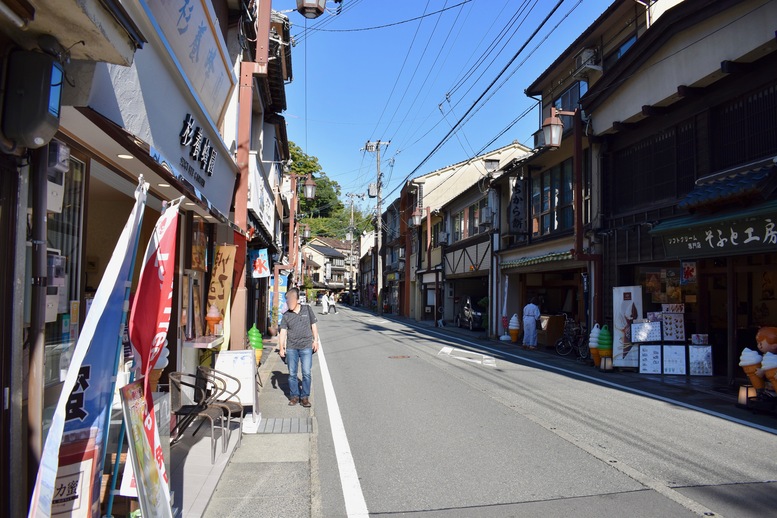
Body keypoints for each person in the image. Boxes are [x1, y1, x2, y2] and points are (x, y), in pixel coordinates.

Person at [278, 287, 319, 407]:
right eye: (287, 300)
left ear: (296, 300)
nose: (289, 303)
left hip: (306, 346)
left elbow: (313, 325)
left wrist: (315, 341)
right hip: (291, 348)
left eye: (290, 300)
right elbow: (283, 332)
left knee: (306, 373)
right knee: (292, 374)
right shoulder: (286, 315)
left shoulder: (307, 309)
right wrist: (281, 347)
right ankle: (294, 396)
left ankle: (305, 397)